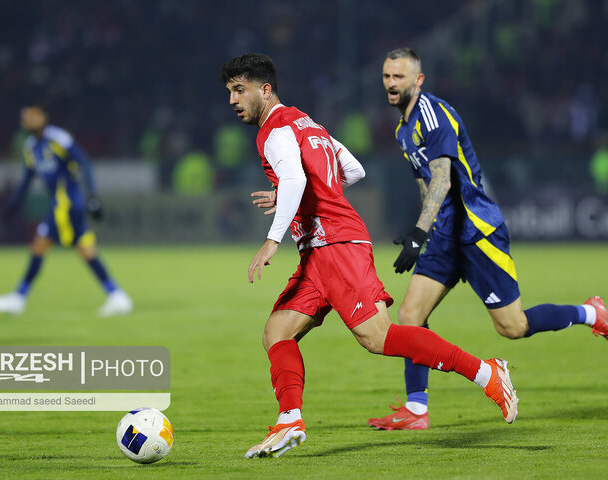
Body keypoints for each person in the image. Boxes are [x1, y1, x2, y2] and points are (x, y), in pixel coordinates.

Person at [221, 53, 519, 460]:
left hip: (336, 247)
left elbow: (293, 176)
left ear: (265, 89)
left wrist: (273, 238)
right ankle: (290, 419)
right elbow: (353, 170)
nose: (234, 100)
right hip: (321, 249)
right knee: (277, 332)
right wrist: (314, 194)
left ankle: (486, 372)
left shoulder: (272, 129)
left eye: (240, 90)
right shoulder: (307, 122)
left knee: (378, 338)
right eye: (230, 92)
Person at [368, 48, 608, 431]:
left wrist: (419, 232)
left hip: (476, 232)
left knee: (513, 327)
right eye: (387, 76)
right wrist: (428, 225)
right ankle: (417, 409)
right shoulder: (402, 129)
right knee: (410, 316)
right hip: (444, 235)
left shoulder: (432, 116)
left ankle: (591, 313)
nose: (391, 84)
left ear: (418, 80)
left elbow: (443, 177)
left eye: (398, 77)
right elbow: (426, 184)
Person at [0, 106, 132, 317]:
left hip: (67, 202)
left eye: (34, 115)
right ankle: (117, 295)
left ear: (44, 118)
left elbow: (84, 163)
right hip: (61, 203)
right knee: (85, 250)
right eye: (26, 117)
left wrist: (93, 196)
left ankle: (18, 298)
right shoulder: (30, 147)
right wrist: (12, 208)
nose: (29, 119)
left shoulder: (58, 138)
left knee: (40, 245)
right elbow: (26, 182)